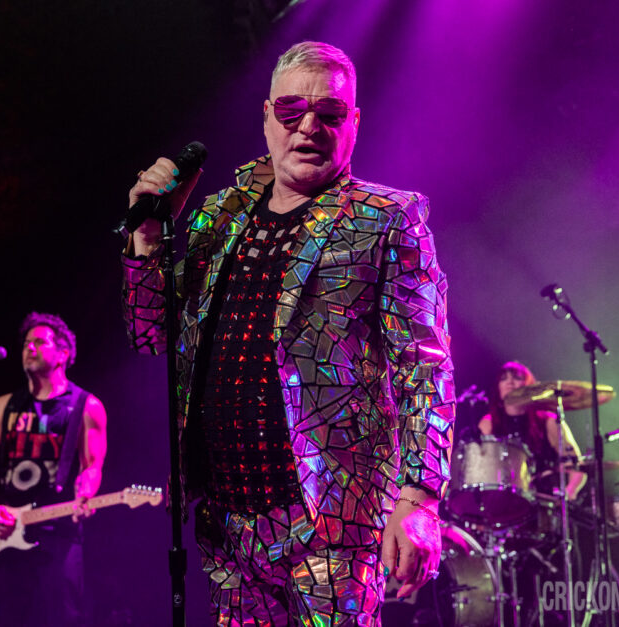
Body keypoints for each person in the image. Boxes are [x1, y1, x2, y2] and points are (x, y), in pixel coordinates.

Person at [122, 41, 454, 625]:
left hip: (330, 519)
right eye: (291, 111)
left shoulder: (385, 217)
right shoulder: (219, 216)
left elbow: (424, 366)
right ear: (266, 116)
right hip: (227, 519)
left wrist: (419, 499)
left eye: (329, 114)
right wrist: (148, 241)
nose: (309, 127)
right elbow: (150, 332)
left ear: (353, 123)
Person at [0, 312, 107, 626]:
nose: (29, 348)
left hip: (59, 536)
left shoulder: (87, 406)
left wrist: (85, 494)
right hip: (5, 535)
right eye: (26, 343)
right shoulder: (3, 405)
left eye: (39, 342)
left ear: (63, 353)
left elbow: (92, 466)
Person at [477, 360, 585, 500]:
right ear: (498, 388)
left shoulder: (549, 421)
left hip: (544, 500)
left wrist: (570, 490)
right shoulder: (488, 423)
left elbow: (577, 466)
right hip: (502, 501)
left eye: (517, 377)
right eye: (503, 379)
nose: (510, 382)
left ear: (528, 384)